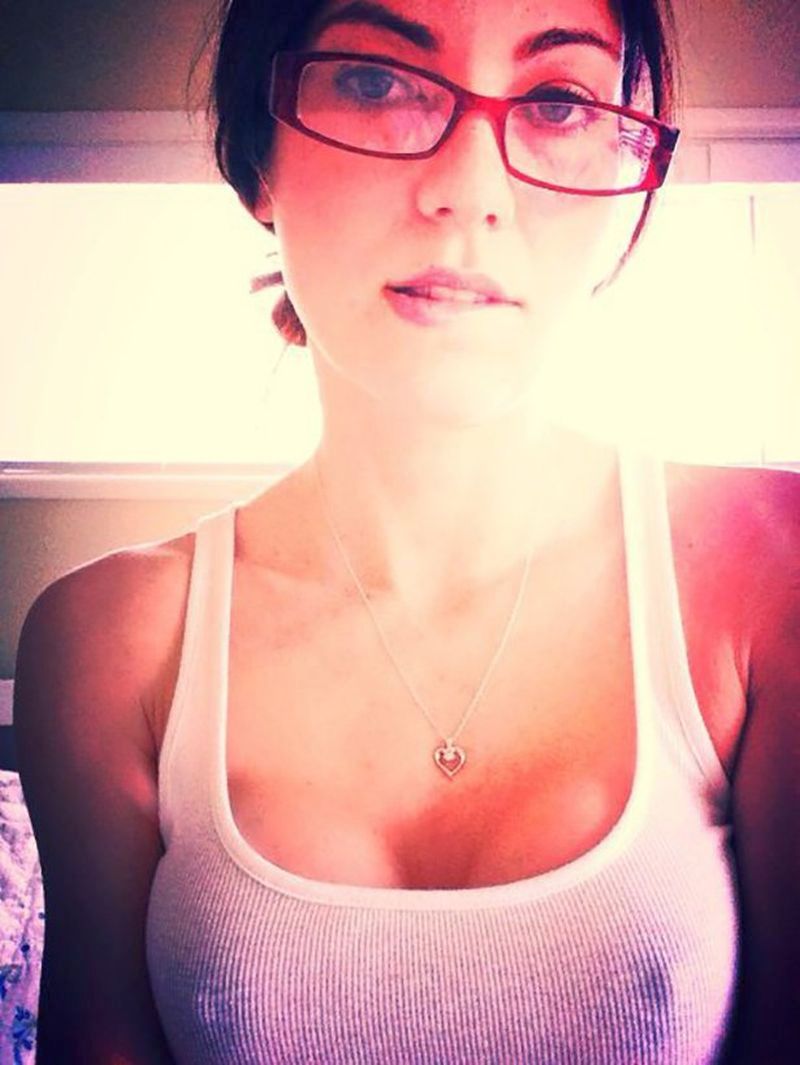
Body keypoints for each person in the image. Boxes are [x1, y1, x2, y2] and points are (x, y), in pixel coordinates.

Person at [12, 0, 799, 1062]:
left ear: (631, 184)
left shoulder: (770, 571)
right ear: (256, 157)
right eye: (376, 82)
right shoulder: (107, 641)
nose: (467, 191)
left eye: (558, 103)